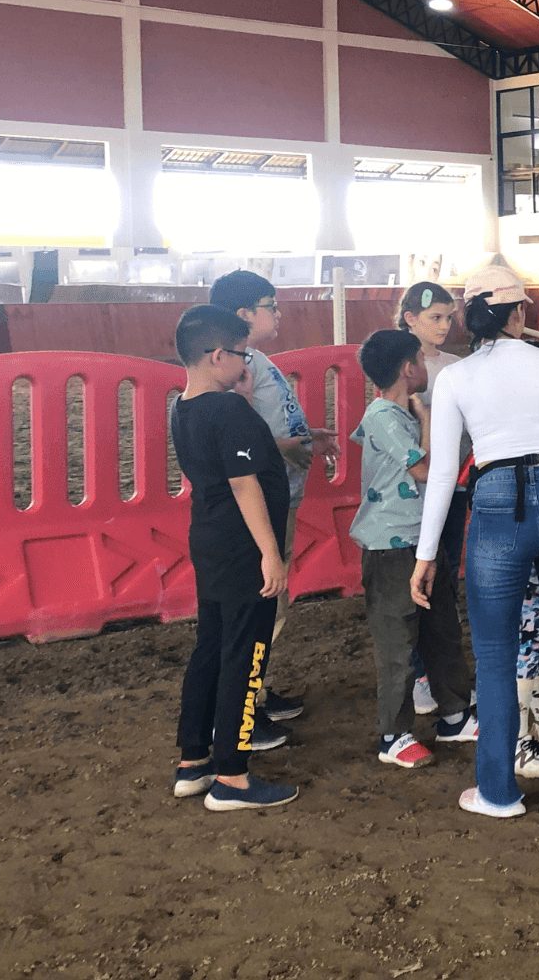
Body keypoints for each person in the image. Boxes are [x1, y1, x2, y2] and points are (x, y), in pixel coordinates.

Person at [411, 268, 539, 817]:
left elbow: (441, 474)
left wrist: (426, 553)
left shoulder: (455, 379)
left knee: (495, 653)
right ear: (518, 313)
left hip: (495, 498)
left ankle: (498, 792)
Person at [167, 305, 298, 811]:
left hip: (211, 540)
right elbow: (245, 485)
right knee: (246, 656)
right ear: (217, 354)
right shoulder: (229, 411)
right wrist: (271, 553)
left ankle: (193, 759)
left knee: (212, 647)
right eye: (241, 356)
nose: (247, 367)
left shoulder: (187, 406)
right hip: (243, 546)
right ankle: (233, 776)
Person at [209, 271, 334, 733]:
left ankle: (256, 692)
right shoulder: (239, 367)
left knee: (271, 604)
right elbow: (239, 436)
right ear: (244, 315)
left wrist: (303, 438)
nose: (278, 313)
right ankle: (246, 709)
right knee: (263, 604)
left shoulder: (256, 360)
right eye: (270, 306)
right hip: (261, 499)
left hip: (277, 494)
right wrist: (287, 445)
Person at [349, 329, 473, 769]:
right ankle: (393, 734)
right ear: (408, 369)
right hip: (391, 546)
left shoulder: (394, 414)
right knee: (398, 641)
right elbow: (425, 468)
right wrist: (426, 419)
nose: (426, 368)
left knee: (440, 628)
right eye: (421, 360)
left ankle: (454, 713)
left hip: (421, 541)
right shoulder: (383, 413)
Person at [397, 281, 462, 719]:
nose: (444, 325)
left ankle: (441, 673)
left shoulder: (458, 366)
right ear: (410, 319)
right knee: (419, 582)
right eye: (435, 317)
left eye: (448, 317)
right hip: (415, 493)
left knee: (446, 580)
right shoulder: (401, 370)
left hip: (454, 486)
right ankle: (420, 674)